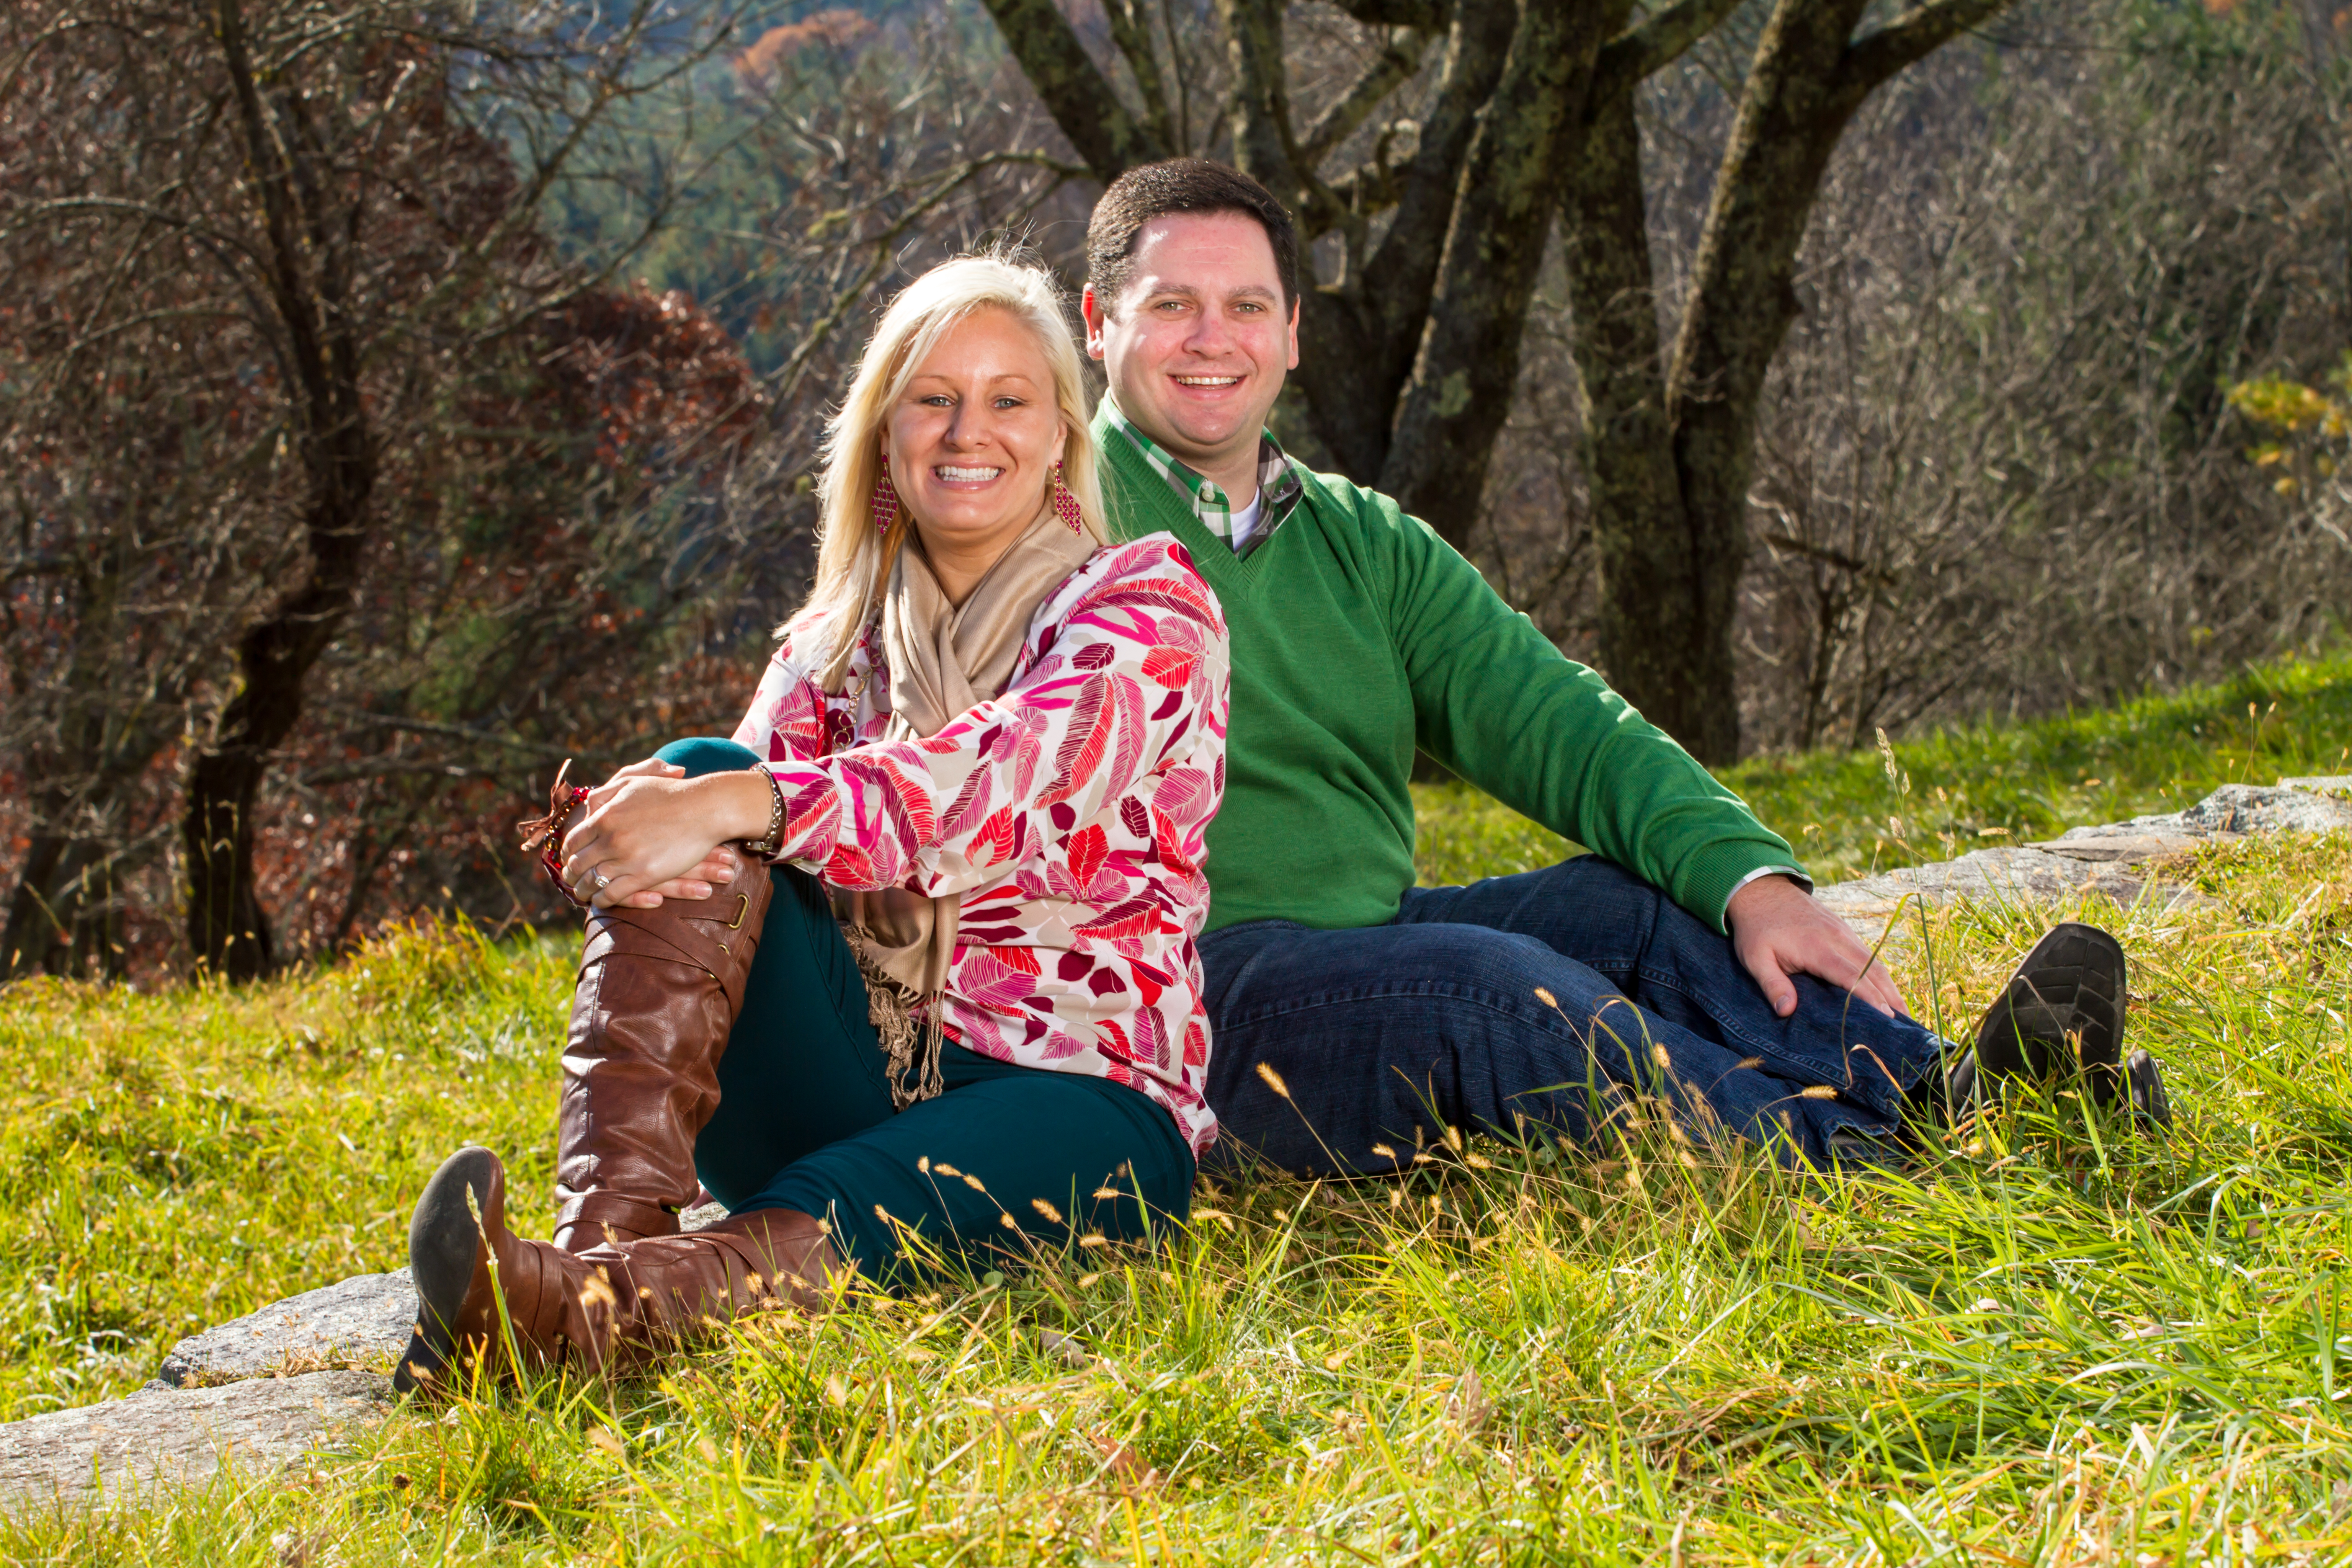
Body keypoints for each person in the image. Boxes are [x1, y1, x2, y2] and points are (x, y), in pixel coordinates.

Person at [1072, 158, 2169, 1177]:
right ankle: (1886, 1171)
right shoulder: (1052, 523)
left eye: (1247, 306)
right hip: (1183, 1002)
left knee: (1629, 910)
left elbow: (1558, 717)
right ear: (1096, 324)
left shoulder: (1360, 539)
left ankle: (1966, 1095)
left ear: (1293, 333)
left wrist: (1751, 881)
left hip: (1360, 947)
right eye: (1172, 305)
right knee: (1494, 992)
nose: (1213, 339)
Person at [394, 253, 1230, 1391]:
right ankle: (593, 1261)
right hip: (864, 1063)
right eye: (932, 398)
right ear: (886, 438)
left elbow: (989, 791)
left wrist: (743, 800)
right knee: (704, 778)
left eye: (1006, 400)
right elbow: (716, 859)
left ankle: (561, 1319)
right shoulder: (832, 644)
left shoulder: (1147, 607)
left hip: (1083, 1107)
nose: (964, 430)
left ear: (1057, 439)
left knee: (724, 792)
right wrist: (667, 816)